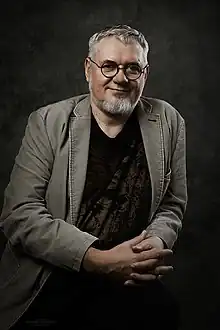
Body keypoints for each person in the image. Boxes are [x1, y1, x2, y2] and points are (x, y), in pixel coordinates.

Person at [0, 24, 187, 330]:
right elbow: (19, 214)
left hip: (129, 276)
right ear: (89, 69)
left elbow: (172, 202)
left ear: (145, 74)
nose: (121, 78)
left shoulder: (168, 121)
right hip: (54, 274)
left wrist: (153, 242)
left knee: (164, 312)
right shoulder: (48, 122)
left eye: (132, 68)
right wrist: (98, 261)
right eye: (109, 66)